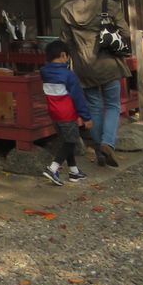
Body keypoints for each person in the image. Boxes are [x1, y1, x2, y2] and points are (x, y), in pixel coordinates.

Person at [59, 0, 131, 167]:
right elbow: (125, 32)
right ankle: (108, 143)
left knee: (95, 107)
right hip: (108, 63)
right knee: (113, 105)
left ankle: (100, 151)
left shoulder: (67, 9)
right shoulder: (110, 5)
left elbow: (65, 40)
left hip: (83, 66)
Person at [40, 40, 93, 185]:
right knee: (71, 141)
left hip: (54, 113)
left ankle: (74, 172)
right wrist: (86, 117)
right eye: (67, 57)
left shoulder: (44, 72)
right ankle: (53, 168)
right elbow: (78, 97)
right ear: (63, 55)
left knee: (67, 141)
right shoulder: (69, 75)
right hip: (67, 114)